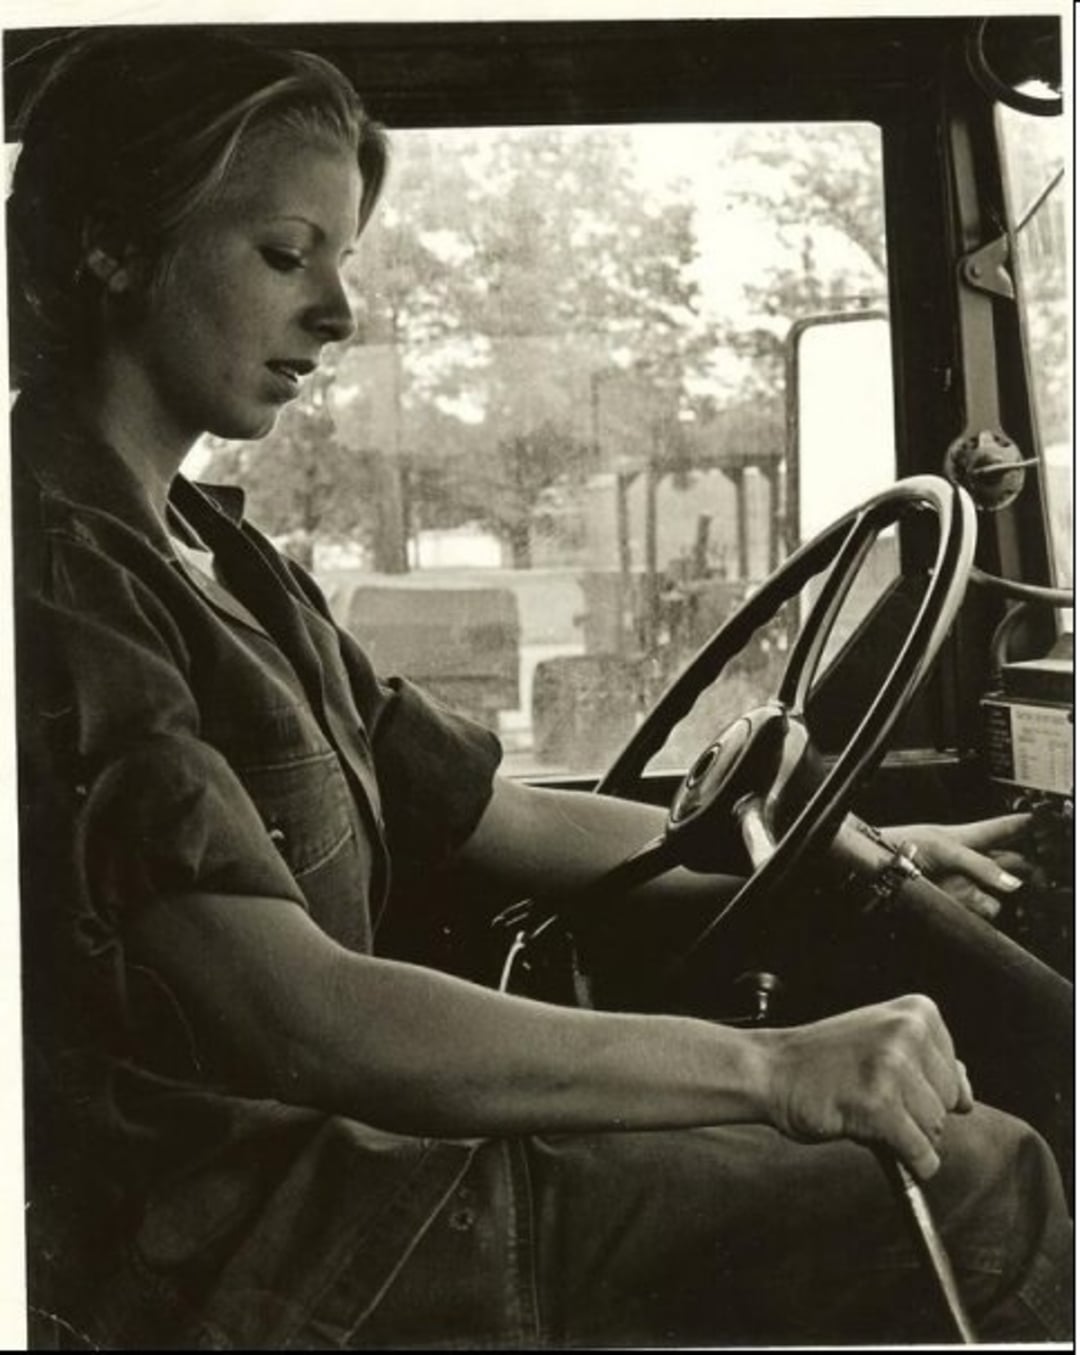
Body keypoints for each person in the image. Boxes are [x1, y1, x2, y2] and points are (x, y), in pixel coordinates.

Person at [6, 27, 1071, 1350]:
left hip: (346, 1157)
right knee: (991, 1180)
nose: (339, 311)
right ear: (112, 243)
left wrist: (851, 851)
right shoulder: (54, 587)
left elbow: (502, 820)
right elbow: (308, 1020)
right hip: (271, 1233)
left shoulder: (217, 556)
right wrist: (772, 1068)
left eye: (341, 258)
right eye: (288, 255)